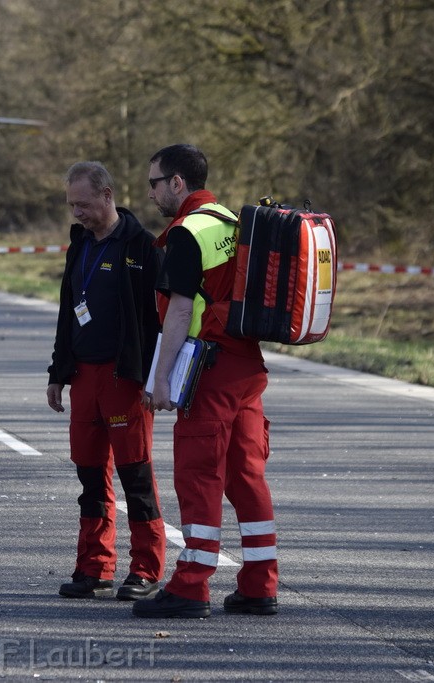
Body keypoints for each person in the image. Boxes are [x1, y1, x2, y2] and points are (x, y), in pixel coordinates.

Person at [132, 144, 278, 619]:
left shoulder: (186, 233)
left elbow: (177, 311)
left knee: (199, 476)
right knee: (246, 474)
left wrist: (160, 380)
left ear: (177, 182)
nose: (150, 193)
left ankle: (191, 586)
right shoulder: (234, 224)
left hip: (209, 372)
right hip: (247, 367)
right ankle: (259, 584)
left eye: (154, 183)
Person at [46, 161, 166, 601]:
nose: (76, 212)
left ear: (107, 195)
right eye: (71, 205)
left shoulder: (143, 246)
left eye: (83, 204)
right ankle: (94, 566)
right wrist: (58, 373)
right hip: (83, 378)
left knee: (135, 477)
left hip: (125, 379)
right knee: (90, 479)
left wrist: (156, 378)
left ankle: (146, 569)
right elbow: (66, 312)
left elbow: (161, 321)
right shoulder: (78, 245)